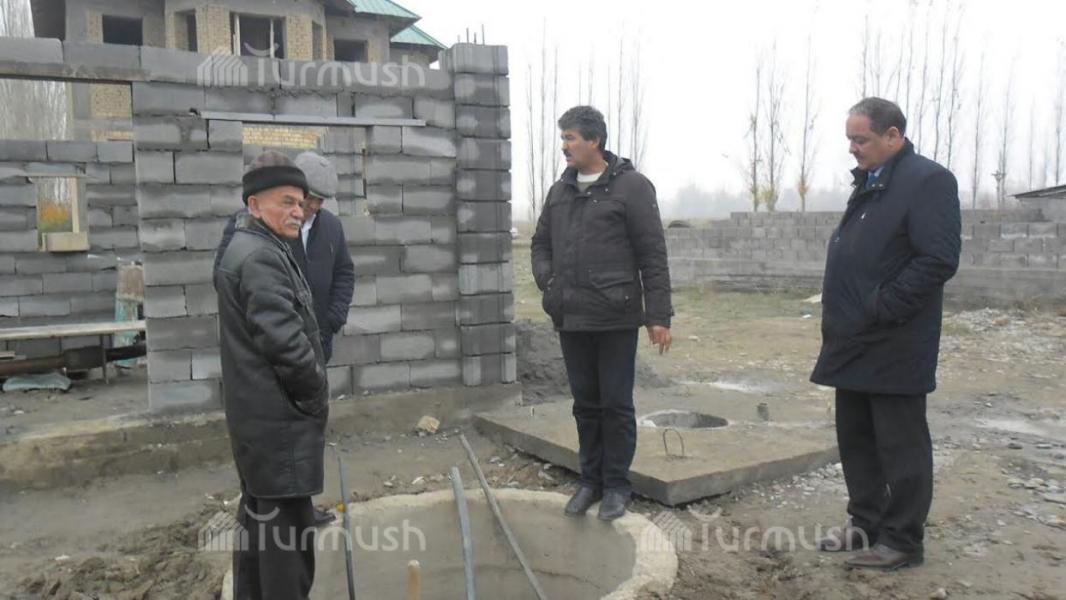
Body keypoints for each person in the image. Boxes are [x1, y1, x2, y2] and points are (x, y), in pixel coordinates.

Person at [811, 97, 961, 570]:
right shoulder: (871, 181)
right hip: (854, 338)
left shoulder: (927, 180)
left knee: (901, 445)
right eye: (849, 139)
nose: (852, 148)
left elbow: (938, 259)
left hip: (895, 340)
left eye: (861, 139)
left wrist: (883, 305)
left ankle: (901, 540)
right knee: (857, 439)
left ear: (893, 136)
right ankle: (866, 523)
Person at [531, 105, 673, 521]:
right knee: (585, 404)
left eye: (570, 138)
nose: (564, 146)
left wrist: (658, 316)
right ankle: (590, 481)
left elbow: (652, 255)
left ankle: (616, 486)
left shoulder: (632, 187)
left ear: (594, 140)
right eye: (563, 138)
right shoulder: (560, 191)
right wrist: (550, 282)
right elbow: (540, 244)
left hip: (615, 316)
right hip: (571, 316)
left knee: (615, 405)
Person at [214, 151, 329, 599]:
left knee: (259, 536)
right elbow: (284, 343)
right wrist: (314, 396)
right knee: (288, 552)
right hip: (278, 424)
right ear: (254, 204)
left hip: (258, 422)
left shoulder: (251, 246)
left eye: (300, 203)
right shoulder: (260, 257)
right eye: (286, 202)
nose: (297, 211)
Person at [288, 151, 354, 365]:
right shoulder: (272, 224)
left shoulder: (332, 227)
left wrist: (332, 320)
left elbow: (344, 273)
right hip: (278, 349)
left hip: (319, 346)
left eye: (321, 200)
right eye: (310, 198)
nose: (315, 206)